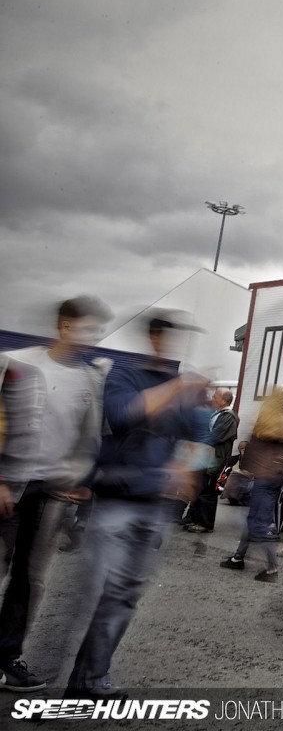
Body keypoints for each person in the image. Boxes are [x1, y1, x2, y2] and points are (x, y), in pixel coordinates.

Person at [65, 311, 210, 698]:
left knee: (125, 594)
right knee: (103, 592)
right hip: (118, 500)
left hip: (155, 505)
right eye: (168, 336)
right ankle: (80, 680)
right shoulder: (125, 375)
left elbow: (199, 437)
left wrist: (186, 468)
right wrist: (177, 388)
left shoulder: (184, 389)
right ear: (154, 338)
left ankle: (90, 680)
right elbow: (122, 414)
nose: (173, 345)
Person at [0, 296, 113, 693]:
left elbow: (89, 436)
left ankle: (6, 658)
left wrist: (80, 478)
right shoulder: (16, 363)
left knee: (31, 578)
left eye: (98, 331)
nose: (94, 337)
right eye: (88, 328)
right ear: (64, 326)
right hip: (8, 484)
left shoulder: (89, 380)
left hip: (50, 492)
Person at [220, 373, 283, 582]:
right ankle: (238, 557)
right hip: (275, 471)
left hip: (263, 470)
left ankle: (271, 567)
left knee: (258, 520)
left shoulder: (271, 412)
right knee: (256, 517)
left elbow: (257, 437)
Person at [183, 388, 238, 533]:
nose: (212, 399)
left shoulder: (229, 417)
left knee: (208, 491)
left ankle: (205, 523)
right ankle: (195, 518)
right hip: (205, 457)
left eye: (216, 397)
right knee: (200, 488)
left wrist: (199, 438)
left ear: (224, 401)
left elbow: (215, 436)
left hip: (214, 459)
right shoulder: (216, 413)